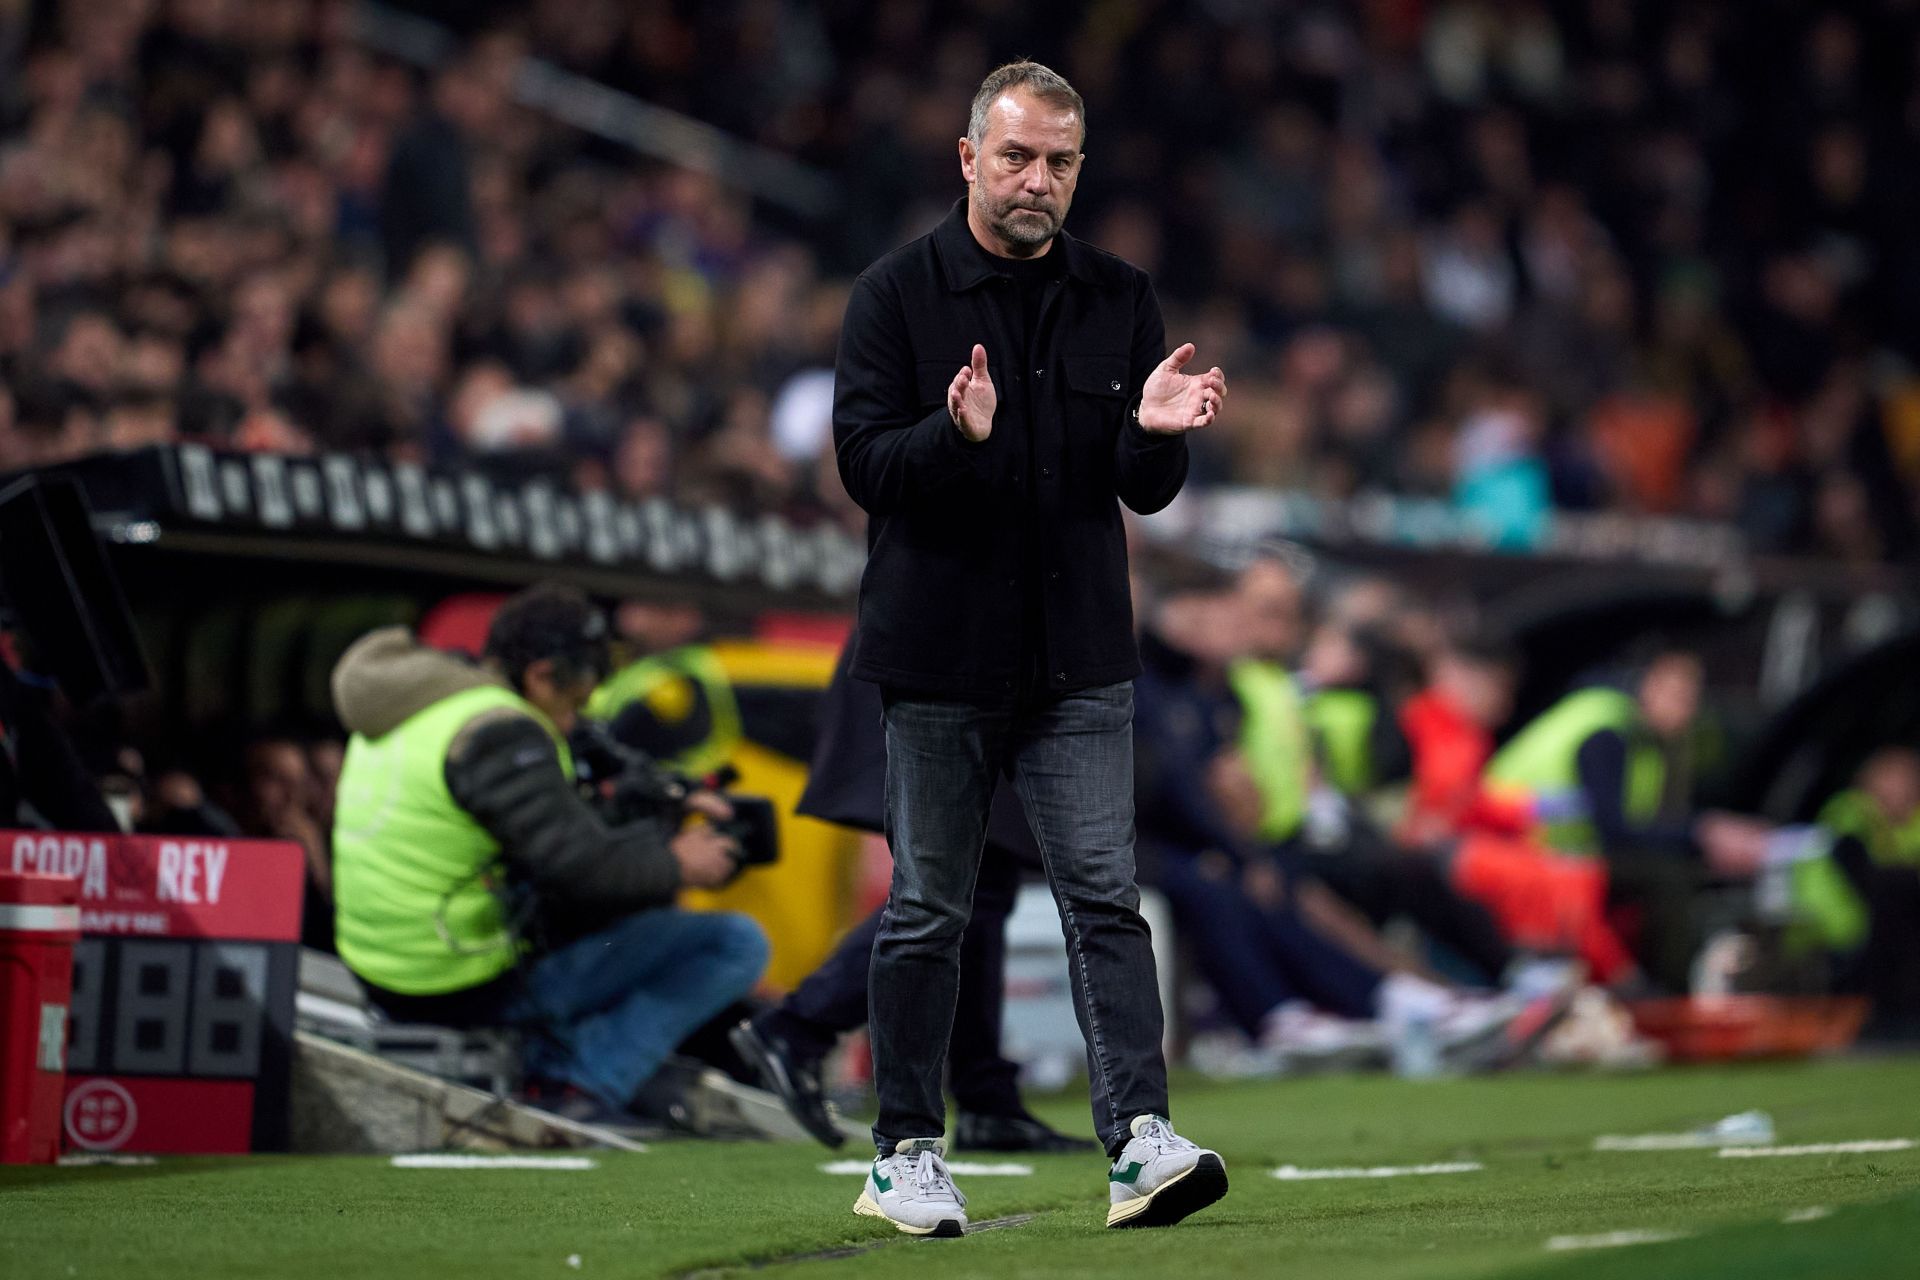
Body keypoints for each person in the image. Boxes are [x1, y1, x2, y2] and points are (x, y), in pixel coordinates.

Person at [831, 60, 1229, 1236]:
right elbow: (865, 465)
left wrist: (1156, 440)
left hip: (1079, 657)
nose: (1035, 180)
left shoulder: (1121, 296)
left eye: (1058, 162)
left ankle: (1140, 1144)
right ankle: (904, 1148)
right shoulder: (895, 295)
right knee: (929, 911)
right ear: (967, 158)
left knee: (1105, 901)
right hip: (940, 654)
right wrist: (952, 436)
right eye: (1014, 157)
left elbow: (1140, 488)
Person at [329, 584, 769, 1119]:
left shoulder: (430, 703)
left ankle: (572, 1048)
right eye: (574, 703)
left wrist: (670, 791)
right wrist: (680, 860)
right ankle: (581, 1081)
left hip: (386, 971)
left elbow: (588, 751)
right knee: (734, 942)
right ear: (539, 675)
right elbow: (583, 867)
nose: (570, 724)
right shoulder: (503, 733)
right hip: (460, 984)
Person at [729, 638, 1096, 1154]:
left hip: (967, 664)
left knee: (981, 884)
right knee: (956, 888)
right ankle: (799, 1025)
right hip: (940, 665)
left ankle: (986, 1097)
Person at [1485, 647, 1766, 991]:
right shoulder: (1606, 727)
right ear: (1643, 683)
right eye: (1675, 692)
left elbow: (1640, 827)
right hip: (1507, 847)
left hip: (1549, 856)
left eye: (1692, 696)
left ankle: (1647, 991)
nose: (1685, 707)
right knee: (1664, 879)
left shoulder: (1645, 743)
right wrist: (1702, 835)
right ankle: (1659, 995)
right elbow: (1616, 831)